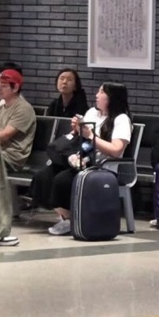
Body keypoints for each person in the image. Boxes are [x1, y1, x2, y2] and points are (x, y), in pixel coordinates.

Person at [47, 82, 132, 235]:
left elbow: (116, 150)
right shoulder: (92, 113)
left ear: (112, 98)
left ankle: (73, 219)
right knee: (45, 176)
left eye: (102, 92)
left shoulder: (121, 119)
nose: (97, 96)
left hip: (103, 167)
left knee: (62, 180)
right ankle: (67, 217)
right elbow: (80, 140)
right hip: (82, 159)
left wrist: (91, 136)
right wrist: (77, 129)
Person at [0, 68, 37, 172]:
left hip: (10, 158)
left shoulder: (24, 108)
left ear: (15, 88)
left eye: (4, 85)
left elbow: (5, 135)